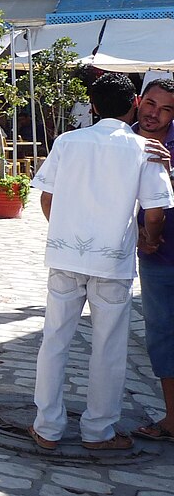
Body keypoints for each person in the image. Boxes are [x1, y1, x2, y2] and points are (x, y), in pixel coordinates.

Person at [27, 73, 174, 451]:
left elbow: (47, 198)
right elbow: (155, 211)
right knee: (108, 348)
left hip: (66, 258)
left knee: (54, 341)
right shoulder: (144, 149)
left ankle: (47, 428)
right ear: (135, 104)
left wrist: (66, 235)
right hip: (113, 262)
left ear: (92, 105)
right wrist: (149, 239)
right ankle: (98, 432)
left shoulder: (67, 141)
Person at [133, 78, 174, 443]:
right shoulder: (123, 140)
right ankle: (172, 419)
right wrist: (139, 236)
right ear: (138, 101)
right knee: (161, 336)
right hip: (156, 258)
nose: (154, 114)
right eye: (150, 104)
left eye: (165, 109)